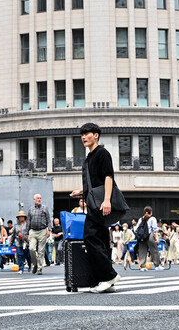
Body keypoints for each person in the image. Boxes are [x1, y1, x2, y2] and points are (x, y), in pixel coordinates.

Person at [70, 122, 121, 293]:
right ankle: (105, 281)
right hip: (93, 203)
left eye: (87, 134)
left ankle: (109, 276)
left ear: (96, 135)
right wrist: (81, 191)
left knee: (90, 237)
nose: (84, 137)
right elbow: (95, 182)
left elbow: (108, 177)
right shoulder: (89, 158)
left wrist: (107, 200)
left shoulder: (102, 153)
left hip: (100, 203)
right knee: (101, 240)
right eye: (82, 135)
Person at [27, 194, 51, 274]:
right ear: (34, 199)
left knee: (41, 250)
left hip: (42, 230)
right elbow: (28, 221)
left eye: (40, 198)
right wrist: (27, 232)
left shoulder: (45, 208)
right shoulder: (31, 209)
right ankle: (35, 264)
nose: (39, 199)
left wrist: (49, 230)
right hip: (33, 231)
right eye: (37, 198)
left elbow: (48, 220)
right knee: (31, 248)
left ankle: (40, 268)